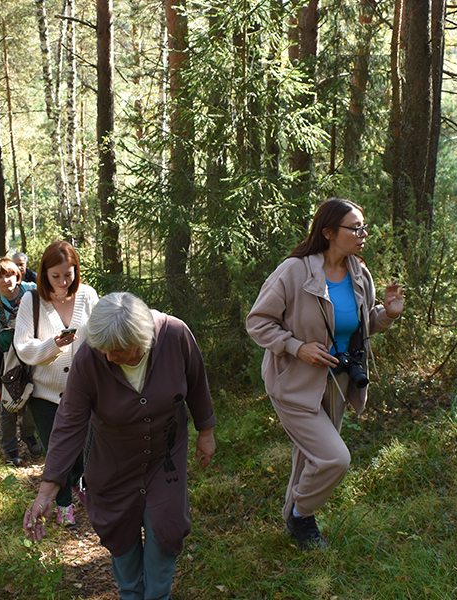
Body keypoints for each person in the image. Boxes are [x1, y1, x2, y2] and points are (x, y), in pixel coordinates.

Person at [23, 292, 216, 600]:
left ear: (144, 340)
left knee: (166, 529)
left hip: (166, 458)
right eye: (104, 350)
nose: (109, 358)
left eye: (118, 351)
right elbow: (69, 421)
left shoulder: (175, 335)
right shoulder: (90, 358)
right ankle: (130, 594)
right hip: (112, 463)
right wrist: (48, 489)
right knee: (120, 533)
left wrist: (205, 430)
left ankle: (157, 596)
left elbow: (196, 381)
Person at [246, 197, 405, 550]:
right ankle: (302, 516)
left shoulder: (359, 273)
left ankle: (293, 519)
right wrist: (296, 346)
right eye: (355, 228)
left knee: (310, 455)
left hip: (337, 381)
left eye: (365, 227)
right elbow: (258, 323)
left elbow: (359, 327)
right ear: (329, 232)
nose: (363, 234)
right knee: (334, 458)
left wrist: (388, 313)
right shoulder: (295, 272)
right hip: (294, 383)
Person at [13, 240, 98, 526]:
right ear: (44, 273)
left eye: (69, 274)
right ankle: (63, 505)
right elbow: (23, 346)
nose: (63, 282)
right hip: (45, 394)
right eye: (56, 276)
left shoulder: (87, 296)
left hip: (85, 392)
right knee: (56, 450)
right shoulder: (32, 300)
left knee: (85, 448)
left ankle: (82, 487)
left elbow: (100, 337)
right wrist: (53, 345)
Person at [0, 257, 43, 464]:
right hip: (6, 360)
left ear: (18, 274)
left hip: (35, 354)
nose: (5, 280)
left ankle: (28, 433)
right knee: (7, 406)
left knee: (37, 398)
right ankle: (10, 450)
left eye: (9, 275)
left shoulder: (31, 290)